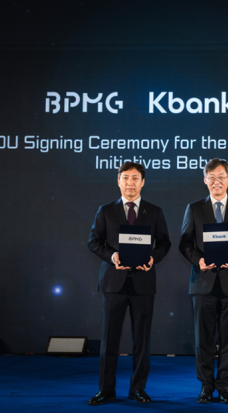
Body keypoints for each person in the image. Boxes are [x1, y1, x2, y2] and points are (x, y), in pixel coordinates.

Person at [87, 162, 171, 405]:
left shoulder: (154, 211)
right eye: (125, 178)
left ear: (143, 182)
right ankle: (106, 390)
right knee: (109, 339)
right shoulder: (105, 211)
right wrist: (113, 256)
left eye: (135, 178)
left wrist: (153, 258)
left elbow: (164, 243)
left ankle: (138, 389)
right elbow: (94, 242)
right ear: (118, 181)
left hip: (143, 283)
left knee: (142, 341)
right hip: (113, 283)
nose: (130, 183)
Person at [179, 158, 228, 404]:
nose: (217, 181)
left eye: (221, 177)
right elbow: (185, 243)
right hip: (203, 283)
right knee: (202, 339)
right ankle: (206, 385)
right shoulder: (194, 208)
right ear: (205, 180)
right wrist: (198, 260)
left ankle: (224, 386)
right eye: (212, 177)